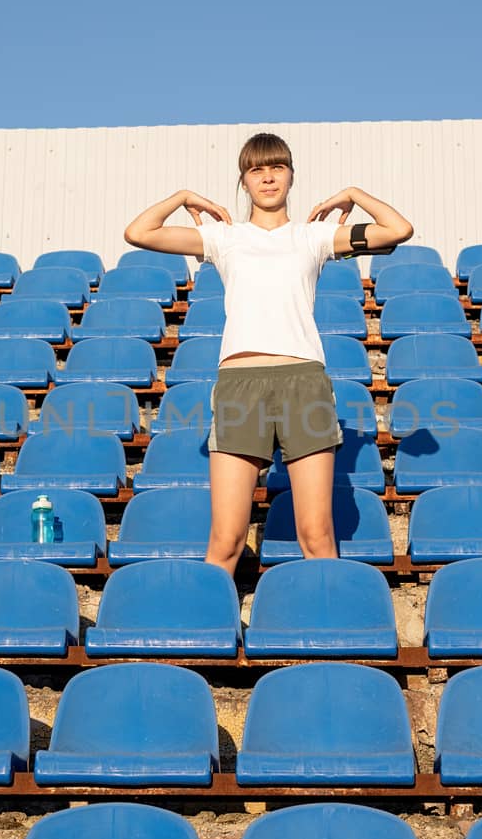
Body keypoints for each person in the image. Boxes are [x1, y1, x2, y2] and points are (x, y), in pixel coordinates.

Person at [123, 132, 413, 574]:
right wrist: (183, 196)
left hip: (304, 384)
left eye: (277, 167)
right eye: (257, 169)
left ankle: (328, 631)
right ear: (244, 181)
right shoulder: (223, 237)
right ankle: (212, 630)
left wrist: (353, 193)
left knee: (316, 534)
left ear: (291, 175)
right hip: (240, 385)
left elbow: (399, 229)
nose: (268, 177)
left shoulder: (314, 236)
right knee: (225, 539)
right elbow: (137, 232)